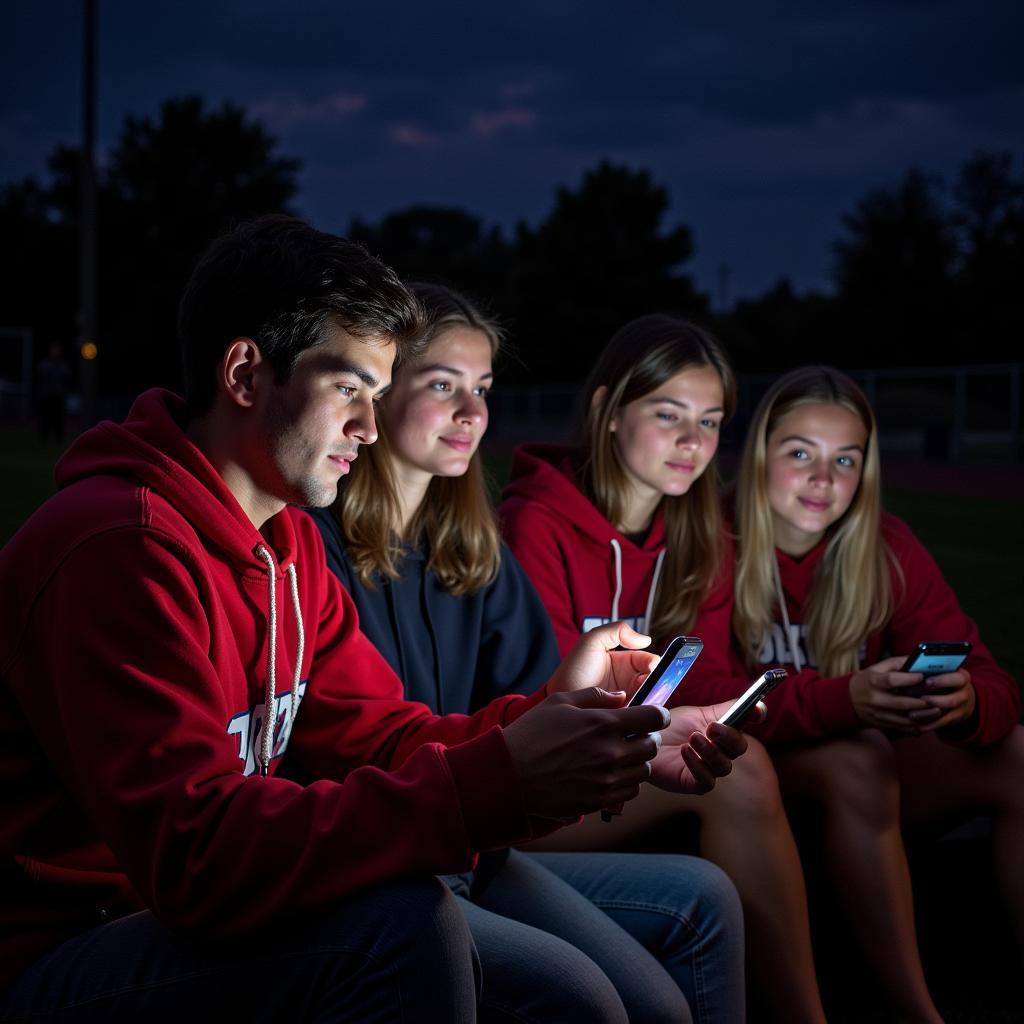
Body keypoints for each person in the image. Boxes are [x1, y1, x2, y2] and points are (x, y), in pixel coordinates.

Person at [0, 216, 751, 1024]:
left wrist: (574, 728)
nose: (368, 426)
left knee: (594, 980)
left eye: (379, 395)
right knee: (406, 931)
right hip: (73, 944)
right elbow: (193, 857)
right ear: (247, 374)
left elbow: (382, 735)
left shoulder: (283, 541)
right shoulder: (122, 547)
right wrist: (498, 779)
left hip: (201, 911)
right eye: (349, 389)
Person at [309, 283, 746, 1022]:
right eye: (443, 385)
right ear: (378, 394)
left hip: (476, 846)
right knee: (598, 1000)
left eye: (481, 388)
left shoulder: (474, 550)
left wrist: (610, 723)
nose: (473, 413)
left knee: (700, 912)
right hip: (386, 857)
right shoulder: (315, 542)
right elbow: (355, 750)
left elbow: (528, 720)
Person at [502, 315, 828, 1022]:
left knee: (749, 755)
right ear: (608, 412)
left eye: (710, 422)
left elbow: (708, 681)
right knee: (745, 776)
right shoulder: (534, 525)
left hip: (628, 765)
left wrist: (828, 701)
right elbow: (538, 700)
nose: (693, 442)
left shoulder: (693, 529)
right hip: (540, 781)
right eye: (669, 414)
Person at [722, 364, 1024, 1021]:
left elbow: (999, 686)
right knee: (856, 754)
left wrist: (965, 702)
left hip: (873, 794)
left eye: (845, 460)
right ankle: (915, 1010)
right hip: (746, 789)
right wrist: (843, 700)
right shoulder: (712, 536)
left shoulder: (886, 547)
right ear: (759, 454)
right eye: (799, 453)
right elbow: (709, 695)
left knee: (1018, 754)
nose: (822, 480)